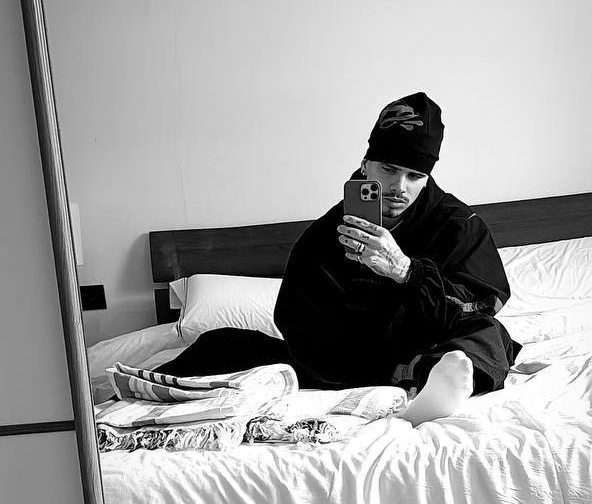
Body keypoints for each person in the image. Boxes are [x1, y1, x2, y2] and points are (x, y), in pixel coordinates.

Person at [158, 92, 521, 426]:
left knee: (487, 336)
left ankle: (433, 389)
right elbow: (295, 319)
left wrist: (407, 272)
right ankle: (147, 385)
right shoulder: (325, 234)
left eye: (415, 176)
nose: (400, 187)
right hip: (351, 356)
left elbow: (481, 301)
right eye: (389, 169)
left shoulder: (459, 225)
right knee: (221, 344)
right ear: (366, 165)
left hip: (429, 346)